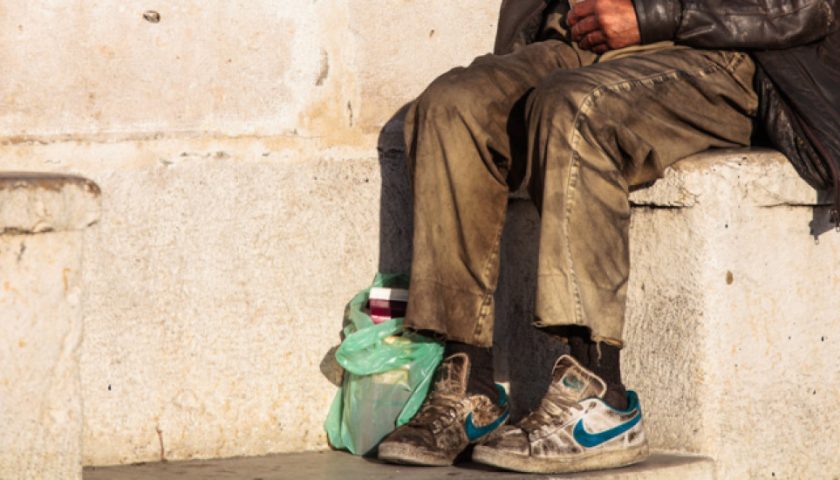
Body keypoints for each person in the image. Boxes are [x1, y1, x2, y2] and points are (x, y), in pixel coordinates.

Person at [377, 0, 840, 474]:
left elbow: (812, 8)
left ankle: (600, 396)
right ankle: (468, 379)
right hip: (581, 45)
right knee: (453, 104)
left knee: (574, 108)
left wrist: (653, 16)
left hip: (717, 52)